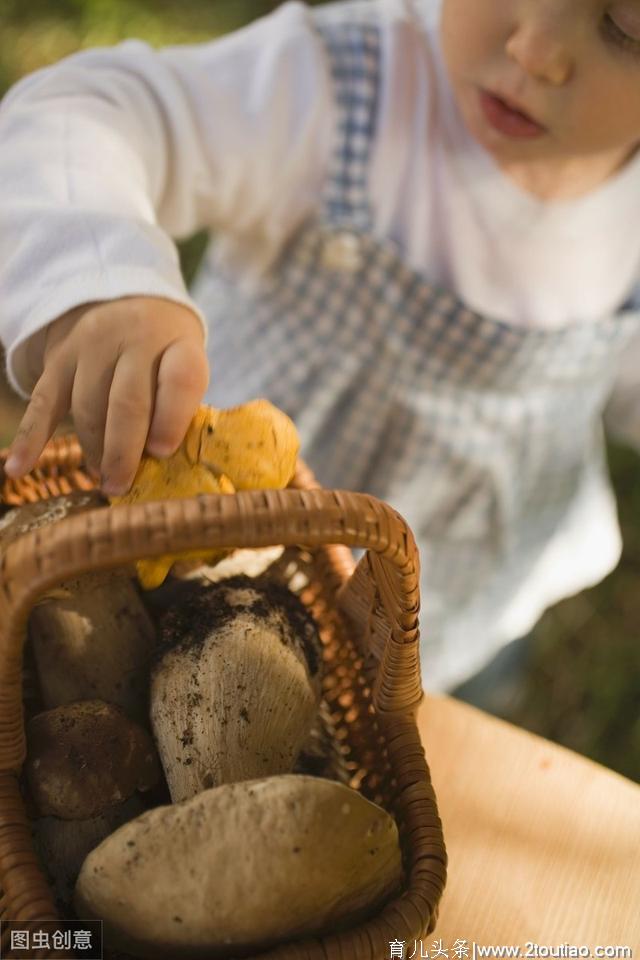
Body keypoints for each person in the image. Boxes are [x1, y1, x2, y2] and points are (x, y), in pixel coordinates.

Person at [1, 0, 640, 701]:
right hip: (218, 563)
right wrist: (101, 275)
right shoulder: (343, 90)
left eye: (627, 26)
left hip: (467, 589)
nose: (536, 49)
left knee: (427, 699)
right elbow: (84, 114)